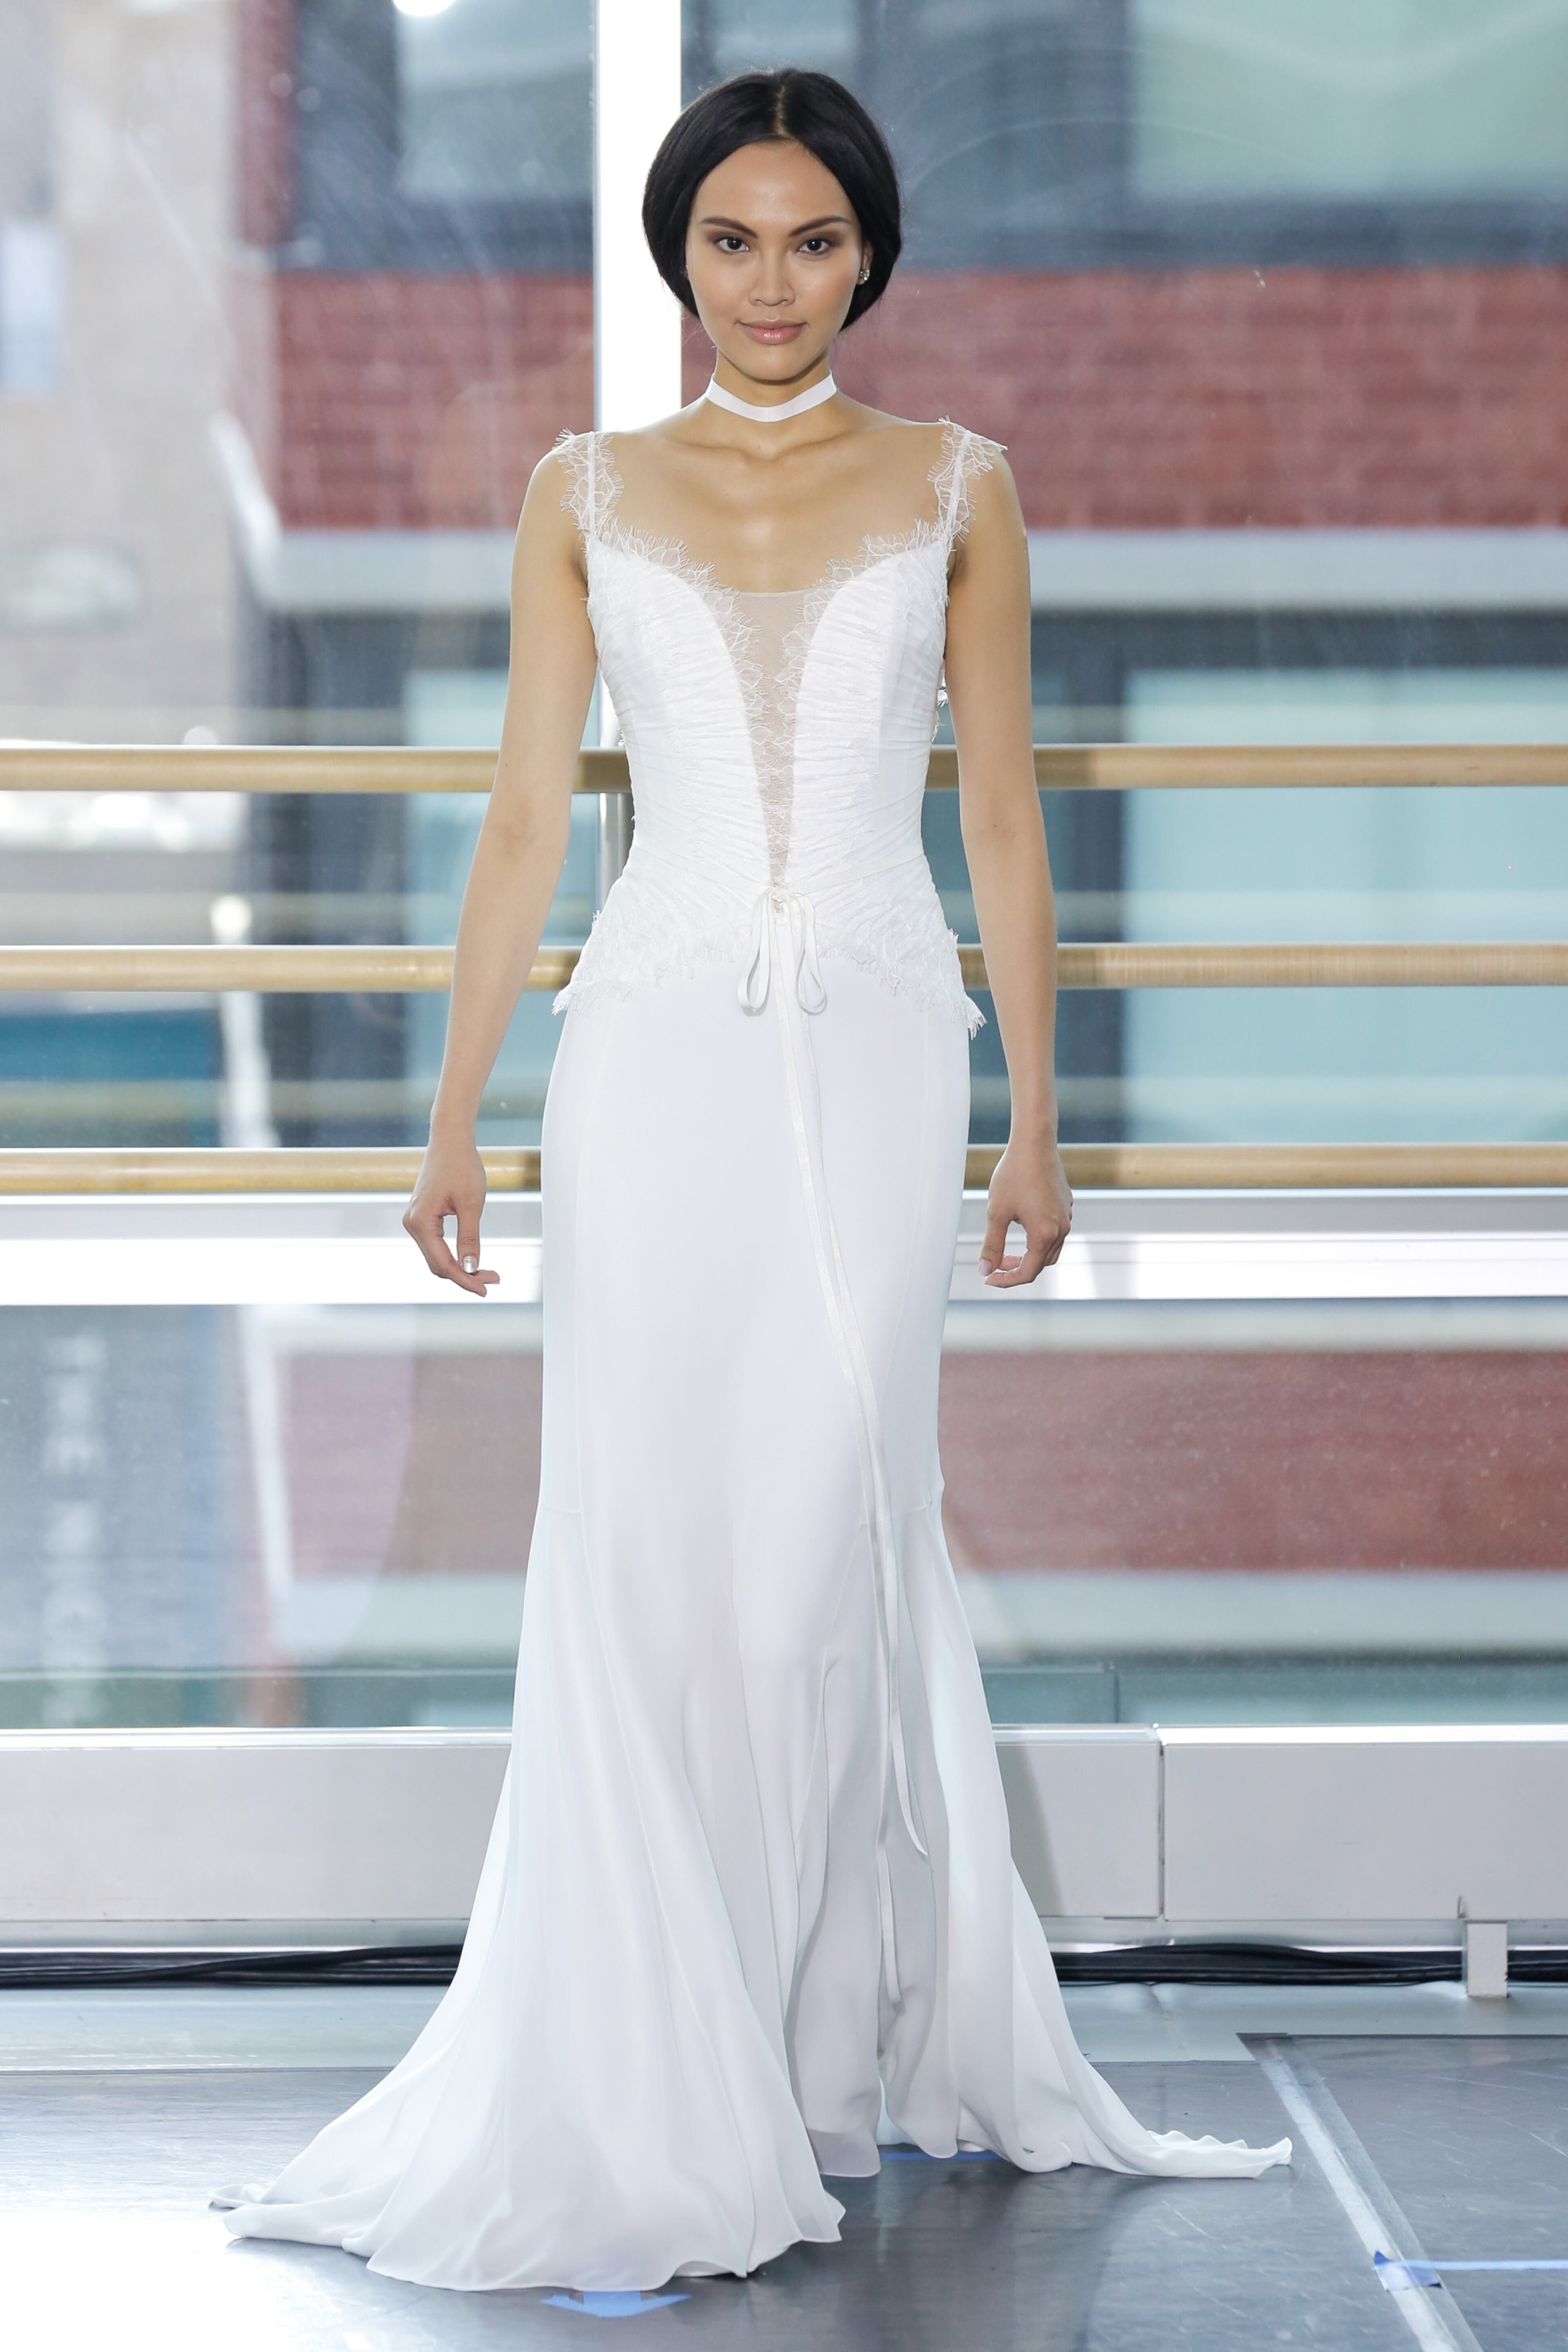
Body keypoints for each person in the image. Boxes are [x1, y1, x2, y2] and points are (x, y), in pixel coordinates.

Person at [218, 68, 1289, 2293]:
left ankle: (813, 2042)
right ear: (677, 254)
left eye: (812, 241)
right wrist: (450, 1115)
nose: (771, 283)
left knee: (820, 1529)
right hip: (649, 1066)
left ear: (870, 256)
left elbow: (1002, 819)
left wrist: (1044, 1110)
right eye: (731, 240)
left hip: (890, 1049)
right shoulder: (583, 490)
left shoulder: (965, 487)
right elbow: (527, 822)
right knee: (643, 1550)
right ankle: (666, 2068)